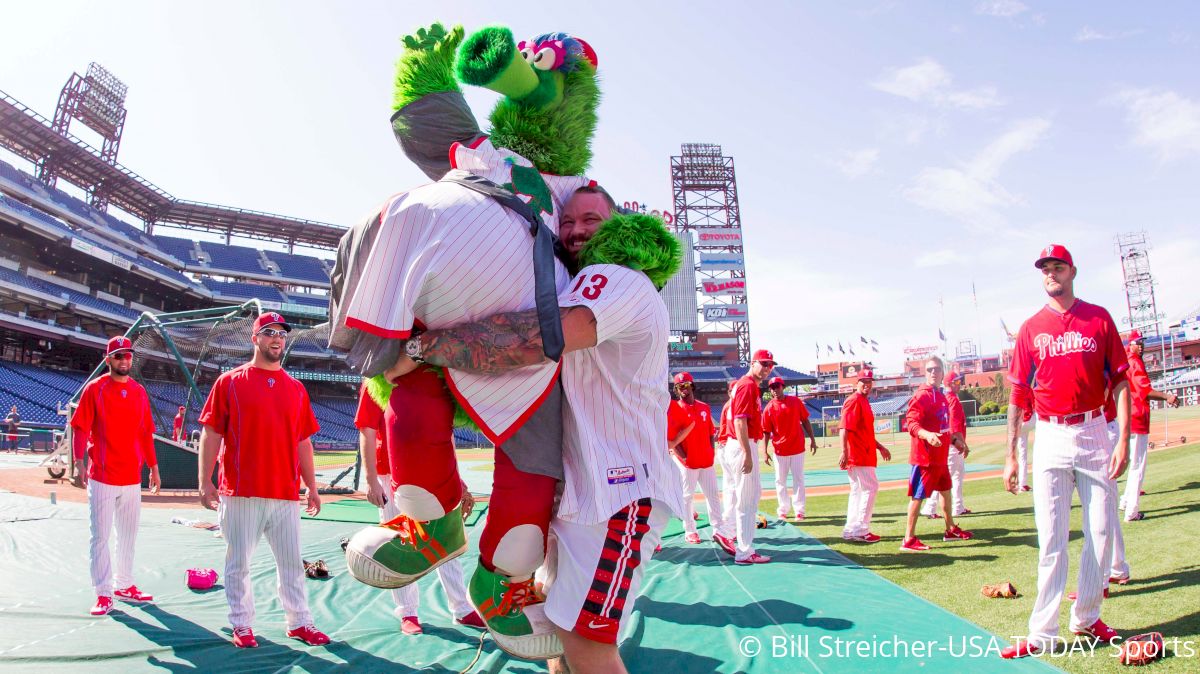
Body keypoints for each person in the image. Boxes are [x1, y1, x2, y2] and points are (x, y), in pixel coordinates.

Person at [382, 200, 683, 671]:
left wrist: (423, 348)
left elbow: (543, 335)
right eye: (566, 221)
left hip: (617, 494)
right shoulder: (574, 282)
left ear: (618, 227)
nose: (575, 230)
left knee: (588, 642)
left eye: (591, 220)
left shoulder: (617, 277)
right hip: (578, 490)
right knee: (553, 631)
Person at [1000, 244, 1131, 659]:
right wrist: (1012, 454)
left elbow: (1123, 380)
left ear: (1073, 271)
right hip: (1051, 434)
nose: (1051, 273)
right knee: (1052, 537)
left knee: (1101, 530)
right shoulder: (1030, 328)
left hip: (1094, 429)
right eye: (1045, 269)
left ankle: (1087, 618)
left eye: (1057, 266)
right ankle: (1042, 632)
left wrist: (1124, 438)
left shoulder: (1099, 318)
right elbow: (1019, 393)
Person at [198, 312, 330, 649]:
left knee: (291, 564)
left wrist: (312, 487)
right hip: (241, 492)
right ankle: (241, 624)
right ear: (254, 338)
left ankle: (300, 622)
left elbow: (303, 441)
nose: (276, 339)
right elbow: (211, 432)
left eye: (281, 335)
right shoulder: (229, 382)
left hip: (285, 493)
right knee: (238, 563)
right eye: (269, 333)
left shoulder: (296, 388)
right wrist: (205, 479)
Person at [351, 382, 485, 634]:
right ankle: (408, 611)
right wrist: (370, 480)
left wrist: (456, 476)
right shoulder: (376, 379)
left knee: (446, 540)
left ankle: (461, 608)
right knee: (399, 542)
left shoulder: (430, 377)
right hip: (391, 472)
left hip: (434, 470)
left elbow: (446, 432)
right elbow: (367, 429)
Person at [71, 336, 161, 616]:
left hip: (131, 478)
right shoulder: (95, 389)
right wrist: (78, 462)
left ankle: (124, 584)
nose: (125, 361)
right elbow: (80, 428)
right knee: (99, 537)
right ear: (108, 359)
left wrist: (154, 467)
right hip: (102, 477)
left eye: (128, 356)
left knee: (128, 535)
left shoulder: (138, 391)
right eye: (119, 356)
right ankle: (103, 592)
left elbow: (145, 432)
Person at [901, 357, 973, 551]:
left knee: (946, 491)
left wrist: (957, 442)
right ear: (925, 373)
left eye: (937, 369)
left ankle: (950, 529)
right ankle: (908, 539)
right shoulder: (922, 396)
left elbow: (943, 429)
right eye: (930, 369)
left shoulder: (941, 397)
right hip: (925, 458)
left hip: (940, 458)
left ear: (942, 373)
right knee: (918, 497)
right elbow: (912, 423)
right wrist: (927, 435)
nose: (934, 373)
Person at [714, 350, 775, 565]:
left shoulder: (748, 385)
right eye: (764, 363)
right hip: (741, 446)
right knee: (747, 500)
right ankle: (744, 551)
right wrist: (748, 454)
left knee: (747, 496)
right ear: (753, 363)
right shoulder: (747, 385)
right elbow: (740, 421)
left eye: (770, 365)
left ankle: (728, 534)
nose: (768, 368)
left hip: (738, 445)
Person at [1119, 329, 1181, 521]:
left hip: (1130, 417)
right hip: (1137, 417)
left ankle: (1125, 502)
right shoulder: (1134, 362)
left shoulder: (1128, 360)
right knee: (1138, 465)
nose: (1142, 345)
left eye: (1142, 342)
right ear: (1131, 344)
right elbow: (1145, 391)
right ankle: (1132, 511)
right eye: (1138, 342)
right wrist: (1167, 396)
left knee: (1132, 463)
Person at [666, 372, 731, 545]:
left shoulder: (704, 407)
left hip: (706, 461)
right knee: (687, 497)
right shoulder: (675, 409)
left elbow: (711, 432)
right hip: (688, 463)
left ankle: (718, 529)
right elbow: (672, 439)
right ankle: (690, 530)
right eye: (679, 386)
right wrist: (684, 458)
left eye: (685, 385)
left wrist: (711, 451)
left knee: (713, 496)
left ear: (692, 386)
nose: (683, 389)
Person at [839, 369, 891, 542]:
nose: (867, 385)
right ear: (857, 383)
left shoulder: (863, 401)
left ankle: (851, 529)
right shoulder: (854, 400)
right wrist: (844, 452)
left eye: (869, 382)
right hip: (859, 454)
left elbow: (865, 433)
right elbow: (844, 429)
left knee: (858, 491)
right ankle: (861, 529)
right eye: (863, 381)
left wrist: (880, 447)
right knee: (870, 488)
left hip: (863, 452)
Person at [761, 375, 817, 521]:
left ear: (783, 387)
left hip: (797, 448)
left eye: (777, 386)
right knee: (780, 481)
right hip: (780, 451)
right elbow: (766, 432)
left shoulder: (795, 401)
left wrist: (812, 439)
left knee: (798, 480)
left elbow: (805, 421)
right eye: (772, 387)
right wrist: (764, 451)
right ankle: (783, 510)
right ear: (770, 390)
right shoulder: (768, 408)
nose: (775, 389)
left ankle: (799, 510)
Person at [922, 370, 971, 518]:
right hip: (952, 444)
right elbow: (955, 427)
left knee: (954, 475)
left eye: (959, 381)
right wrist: (962, 444)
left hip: (948, 443)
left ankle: (957, 506)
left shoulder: (945, 398)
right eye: (956, 382)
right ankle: (930, 508)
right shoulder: (953, 400)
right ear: (949, 383)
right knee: (946, 478)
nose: (959, 384)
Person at [1013, 387, 1035, 492]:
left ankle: (1021, 483)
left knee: (1021, 454)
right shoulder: (1028, 390)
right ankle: (1024, 483)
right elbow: (1035, 405)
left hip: (1019, 423)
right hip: (1029, 420)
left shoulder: (1015, 390)